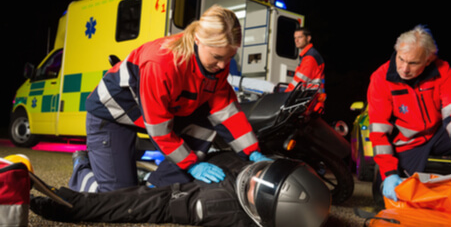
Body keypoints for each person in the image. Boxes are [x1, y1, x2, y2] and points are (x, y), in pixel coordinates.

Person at [70, 5, 271, 192]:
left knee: (205, 123)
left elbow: (226, 111)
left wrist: (252, 152)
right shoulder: (161, 63)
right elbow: (159, 128)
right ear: (198, 40)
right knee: (117, 199)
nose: (222, 65)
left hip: (149, 115)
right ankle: (83, 166)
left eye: (229, 57)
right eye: (217, 57)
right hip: (111, 115)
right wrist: (191, 165)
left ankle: (153, 184)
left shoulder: (216, 66)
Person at [31, 152, 331, 227]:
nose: (254, 177)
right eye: (265, 173)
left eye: (260, 188)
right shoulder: (248, 174)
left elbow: (138, 205)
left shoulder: (216, 207)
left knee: (105, 188)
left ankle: (81, 164)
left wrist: (66, 207)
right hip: (187, 164)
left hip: (169, 182)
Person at [367, 25, 451, 202]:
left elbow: (450, 112)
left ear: (428, 60)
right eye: (401, 59)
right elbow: (379, 132)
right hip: (408, 143)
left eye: (413, 63)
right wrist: (389, 173)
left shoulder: (442, 70)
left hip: (438, 133)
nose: (404, 69)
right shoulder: (380, 78)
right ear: (396, 52)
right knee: (399, 194)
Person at [286, 27, 325, 94]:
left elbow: (299, 82)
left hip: (311, 100)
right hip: (310, 98)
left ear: (308, 38)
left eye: (300, 37)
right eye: (295, 38)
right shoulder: (308, 55)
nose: (296, 40)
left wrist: (285, 95)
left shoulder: (310, 57)